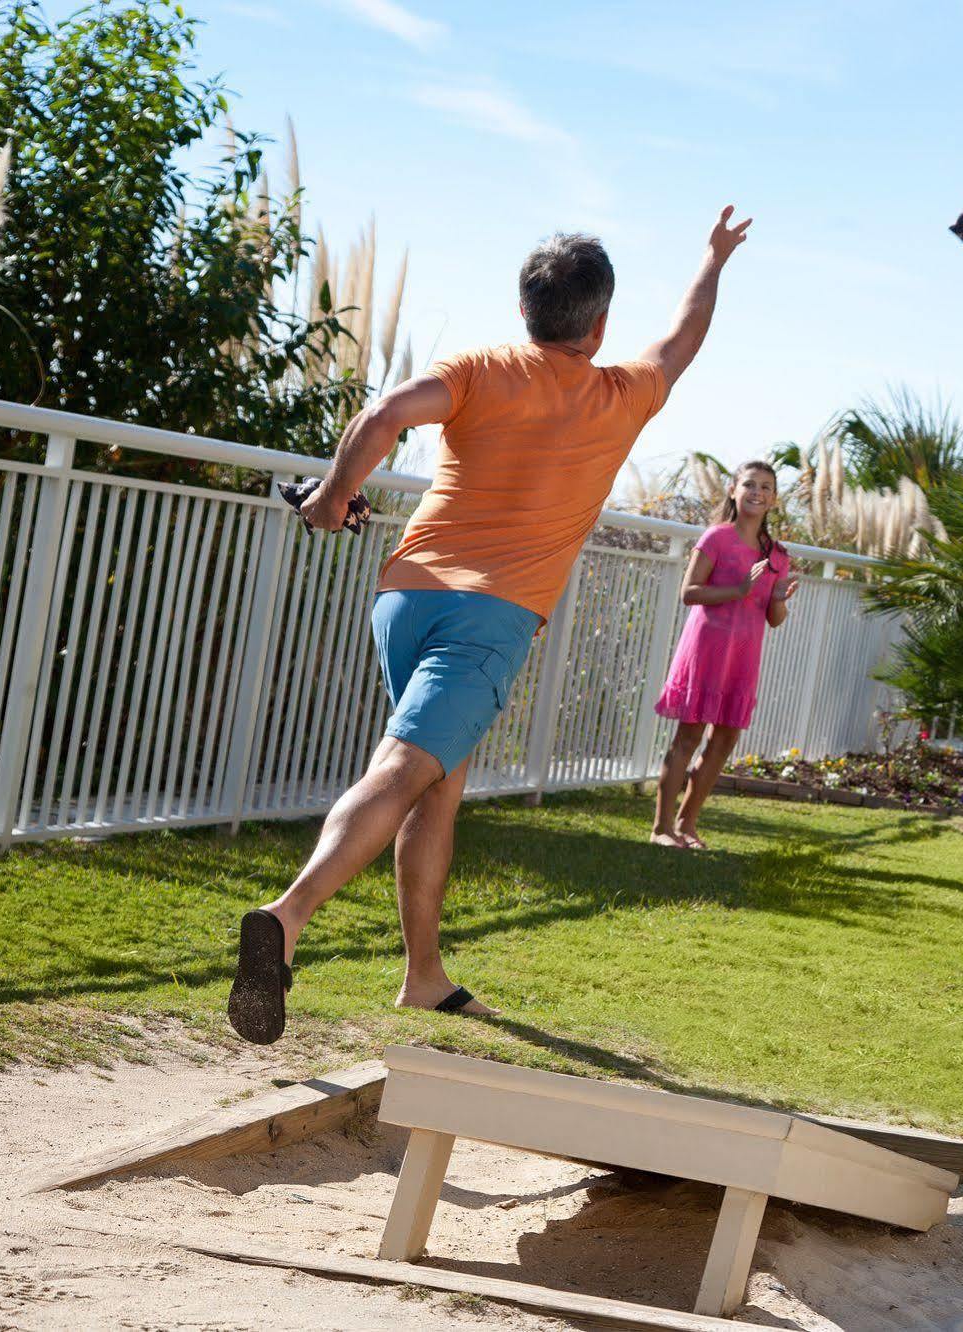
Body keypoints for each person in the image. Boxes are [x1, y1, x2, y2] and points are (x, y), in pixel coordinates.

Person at [225, 207, 754, 1045]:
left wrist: (330, 501)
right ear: (601, 321)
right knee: (405, 771)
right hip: (492, 616)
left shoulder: (478, 368)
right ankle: (286, 918)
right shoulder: (623, 393)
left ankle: (424, 976)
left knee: (439, 781)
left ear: (524, 309)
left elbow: (382, 416)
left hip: (404, 596)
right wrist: (712, 258)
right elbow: (685, 334)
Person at [649, 461, 799, 849]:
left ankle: (687, 825)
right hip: (706, 649)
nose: (757, 492)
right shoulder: (717, 538)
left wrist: (779, 599)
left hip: (743, 656)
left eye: (766, 487)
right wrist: (737, 590)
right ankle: (661, 829)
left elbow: (774, 619)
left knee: (726, 738)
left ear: (774, 498)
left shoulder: (778, 556)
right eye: (750, 484)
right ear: (733, 490)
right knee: (690, 735)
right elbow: (689, 592)